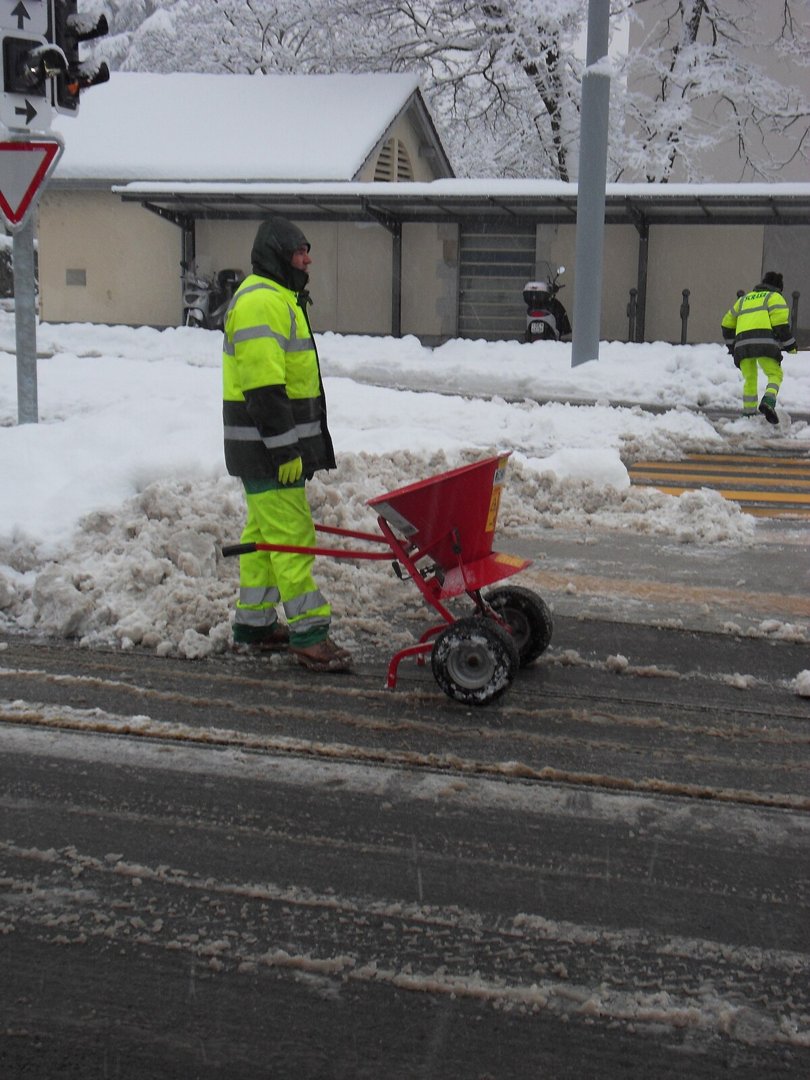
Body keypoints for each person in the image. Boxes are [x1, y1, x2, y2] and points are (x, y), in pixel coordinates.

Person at [222, 215, 353, 672]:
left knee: (262, 538)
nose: (308, 258)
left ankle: (254, 625)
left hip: (263, 448)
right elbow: (263, 389)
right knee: (292, 538)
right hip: (267, 450)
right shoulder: (262, 303)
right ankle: (310, 635)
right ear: (279, 254)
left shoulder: (279, 299)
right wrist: (285, 450)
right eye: (300, 250)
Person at [721, 270, 798, 424]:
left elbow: (726, 323)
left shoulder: (744, 299)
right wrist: (791, 346)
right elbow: (780, 326)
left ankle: (748, 415)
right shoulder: (775, 297)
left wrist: (732, 346)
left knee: (750, 378)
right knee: (775, 374)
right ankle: (768, 401)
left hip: (742, 346)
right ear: (778, 288)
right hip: (764, 344)